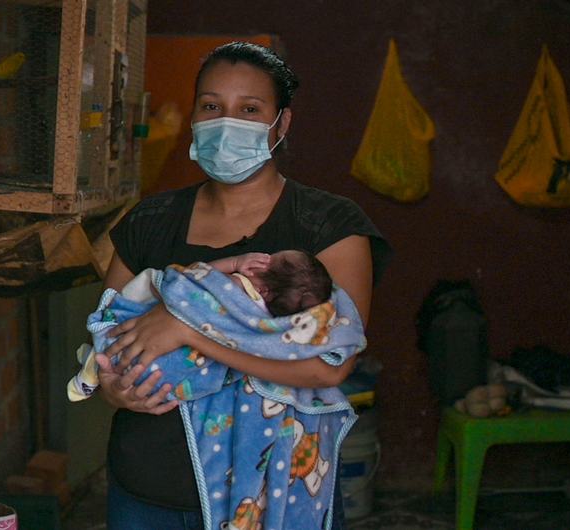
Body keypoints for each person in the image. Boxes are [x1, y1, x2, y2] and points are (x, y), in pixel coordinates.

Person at [95, 41, 391, 530]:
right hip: (147, 492)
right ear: (194, 117)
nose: (226, 122)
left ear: (282, 123)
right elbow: (108, 335)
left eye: (249, 109)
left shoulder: (328, 227)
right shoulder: (149, 222)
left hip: (277, 497)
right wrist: (111, 389)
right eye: (212, 106)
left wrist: (190, 331)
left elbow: (328, 368)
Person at [67, 250, 334, 402]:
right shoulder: (263, 326)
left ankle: (95, 362)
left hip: (139, 348)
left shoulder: (235, 284)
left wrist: (233, 264)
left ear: (261, 281)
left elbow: (192, 278)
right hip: (171, 381)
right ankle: (95, 363)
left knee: (150, 282)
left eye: (269, 258)